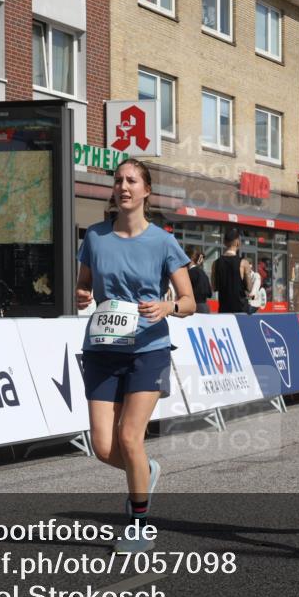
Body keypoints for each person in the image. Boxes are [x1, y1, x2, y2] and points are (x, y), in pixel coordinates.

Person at [75, 158, 195, 554]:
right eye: (118, 180)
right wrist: (82, 296)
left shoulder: (162, 241)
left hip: (148, 348)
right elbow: (85, 286)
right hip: (103, 348)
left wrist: (168, 308)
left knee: (130, 436)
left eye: (131, 181)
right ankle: (145, 470)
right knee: (103, 447)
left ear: (146, 191)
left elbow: (191, 301)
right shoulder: (94, 237)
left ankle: (139, 525)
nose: (123, 186)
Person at [210, 228, 248, 313]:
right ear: (237, 242)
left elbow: (214, 287)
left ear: (224, 242)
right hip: (240, 310)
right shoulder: (243, 263)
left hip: (224, 309)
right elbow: (249, 287)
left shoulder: (216, 263)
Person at [187, 248, 213, 313]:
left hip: (195, 307)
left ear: (190, 258)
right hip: (205, 306)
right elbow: (209, 293)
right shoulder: (203, 273)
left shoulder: (189, 273)